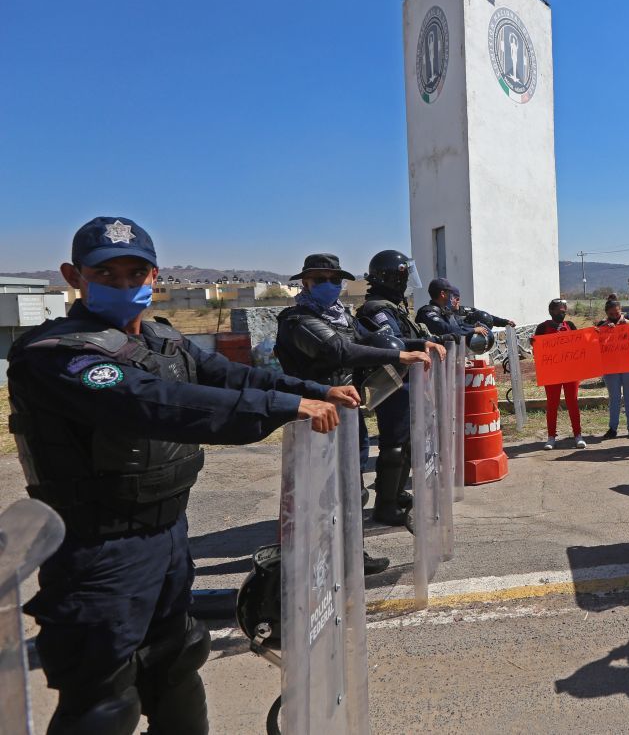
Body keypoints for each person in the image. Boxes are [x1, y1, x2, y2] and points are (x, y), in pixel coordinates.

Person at [7, 217, 358, 734]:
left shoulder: (161, 338)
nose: (125, 286)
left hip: (169, 535)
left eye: (136, 272)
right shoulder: (59, 354)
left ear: (154, 275)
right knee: (103, 695)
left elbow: (229, 374)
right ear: (73, 276)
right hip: (101, 547)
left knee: (176, 667)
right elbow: (157, 403)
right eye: (108, 274)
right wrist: (282, 405)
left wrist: (312, 389)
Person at [275, 254, 440, 535]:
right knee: (327, 489)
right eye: (320, 280)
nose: (329, 285)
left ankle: (351, 552)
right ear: (305, 283)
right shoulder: (298, 319)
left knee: (352, 486)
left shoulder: (342, 317)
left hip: (348, 410)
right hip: (316, 412)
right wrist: (400, 354)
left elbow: (367, 339)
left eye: (335, 280)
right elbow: (339, 350)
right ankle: (318, 556)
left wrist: (420, 342)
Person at [354, 250, 447, 527]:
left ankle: (395, 493)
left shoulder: (392, 306)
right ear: (392, 277)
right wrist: (419, 345)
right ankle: (386, 505)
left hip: (407, 381)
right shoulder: (376, 309)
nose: (407, 282)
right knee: (394, 443)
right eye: (403, 276)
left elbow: (411, 336)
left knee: (407, 441)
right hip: (394, 383)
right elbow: (391, 342)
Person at [534, 298, 585, 449]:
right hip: (552, 373)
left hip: (570, 371)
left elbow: (581, 342)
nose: (563, 312)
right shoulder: (542, 327)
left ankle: (578, 435)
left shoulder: (570, 325)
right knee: (552, 404)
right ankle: (551, 437)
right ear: (551, 311)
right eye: (560, 310)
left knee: (572, 403)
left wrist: (592, 334)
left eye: (564, 310)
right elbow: (537, 347)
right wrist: (534, 343)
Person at [596, 295, 629, 440]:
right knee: (614, 398)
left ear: (621, 310)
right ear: (606, 314)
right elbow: (595, 344)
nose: (615, 316)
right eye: (611, 314)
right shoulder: (601, 326)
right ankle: (613, 428)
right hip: (611, 367)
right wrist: (603, 331)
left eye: (617, 313)